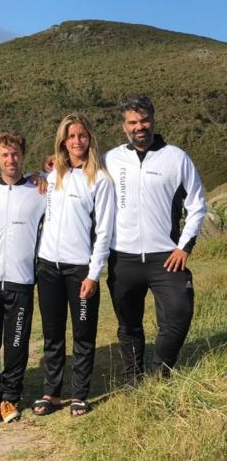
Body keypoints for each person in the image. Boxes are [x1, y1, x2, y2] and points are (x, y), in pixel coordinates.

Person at [104, 95, 207, 383]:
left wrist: (184, 246)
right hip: (122, 258)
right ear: (124, 126)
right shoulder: (110, 159)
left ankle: (160, 372)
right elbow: (79, 178)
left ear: (153, 119)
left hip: (166, 258)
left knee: (178, 315)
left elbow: (198, 204)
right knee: (129, 325)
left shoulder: (176, 158)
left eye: (144, 120)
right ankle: (133, 379)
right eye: (133, 122)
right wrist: (46, 171)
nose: (140, 127)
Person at [32, 114, 114, 417]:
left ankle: (80, 394)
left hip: (79, 269)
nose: (77, 141)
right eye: (71, 136)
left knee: (83, 334)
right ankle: (51, 393)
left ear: (89, 138)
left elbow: (104, 231)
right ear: (63, 141)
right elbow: (32, 186)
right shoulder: (53, 175)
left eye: (82, 135)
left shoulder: (100, 179)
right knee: (53, 333)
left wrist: (93, 274)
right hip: (48, 267)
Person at [0, 131, 46, 424]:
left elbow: (59, 174)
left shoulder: (40, 191)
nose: (10, 159)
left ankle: (10, 398)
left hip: (20, 281)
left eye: (15, 153)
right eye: (4, 155)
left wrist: (44, 171)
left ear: (23, 155)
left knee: (16, 344)